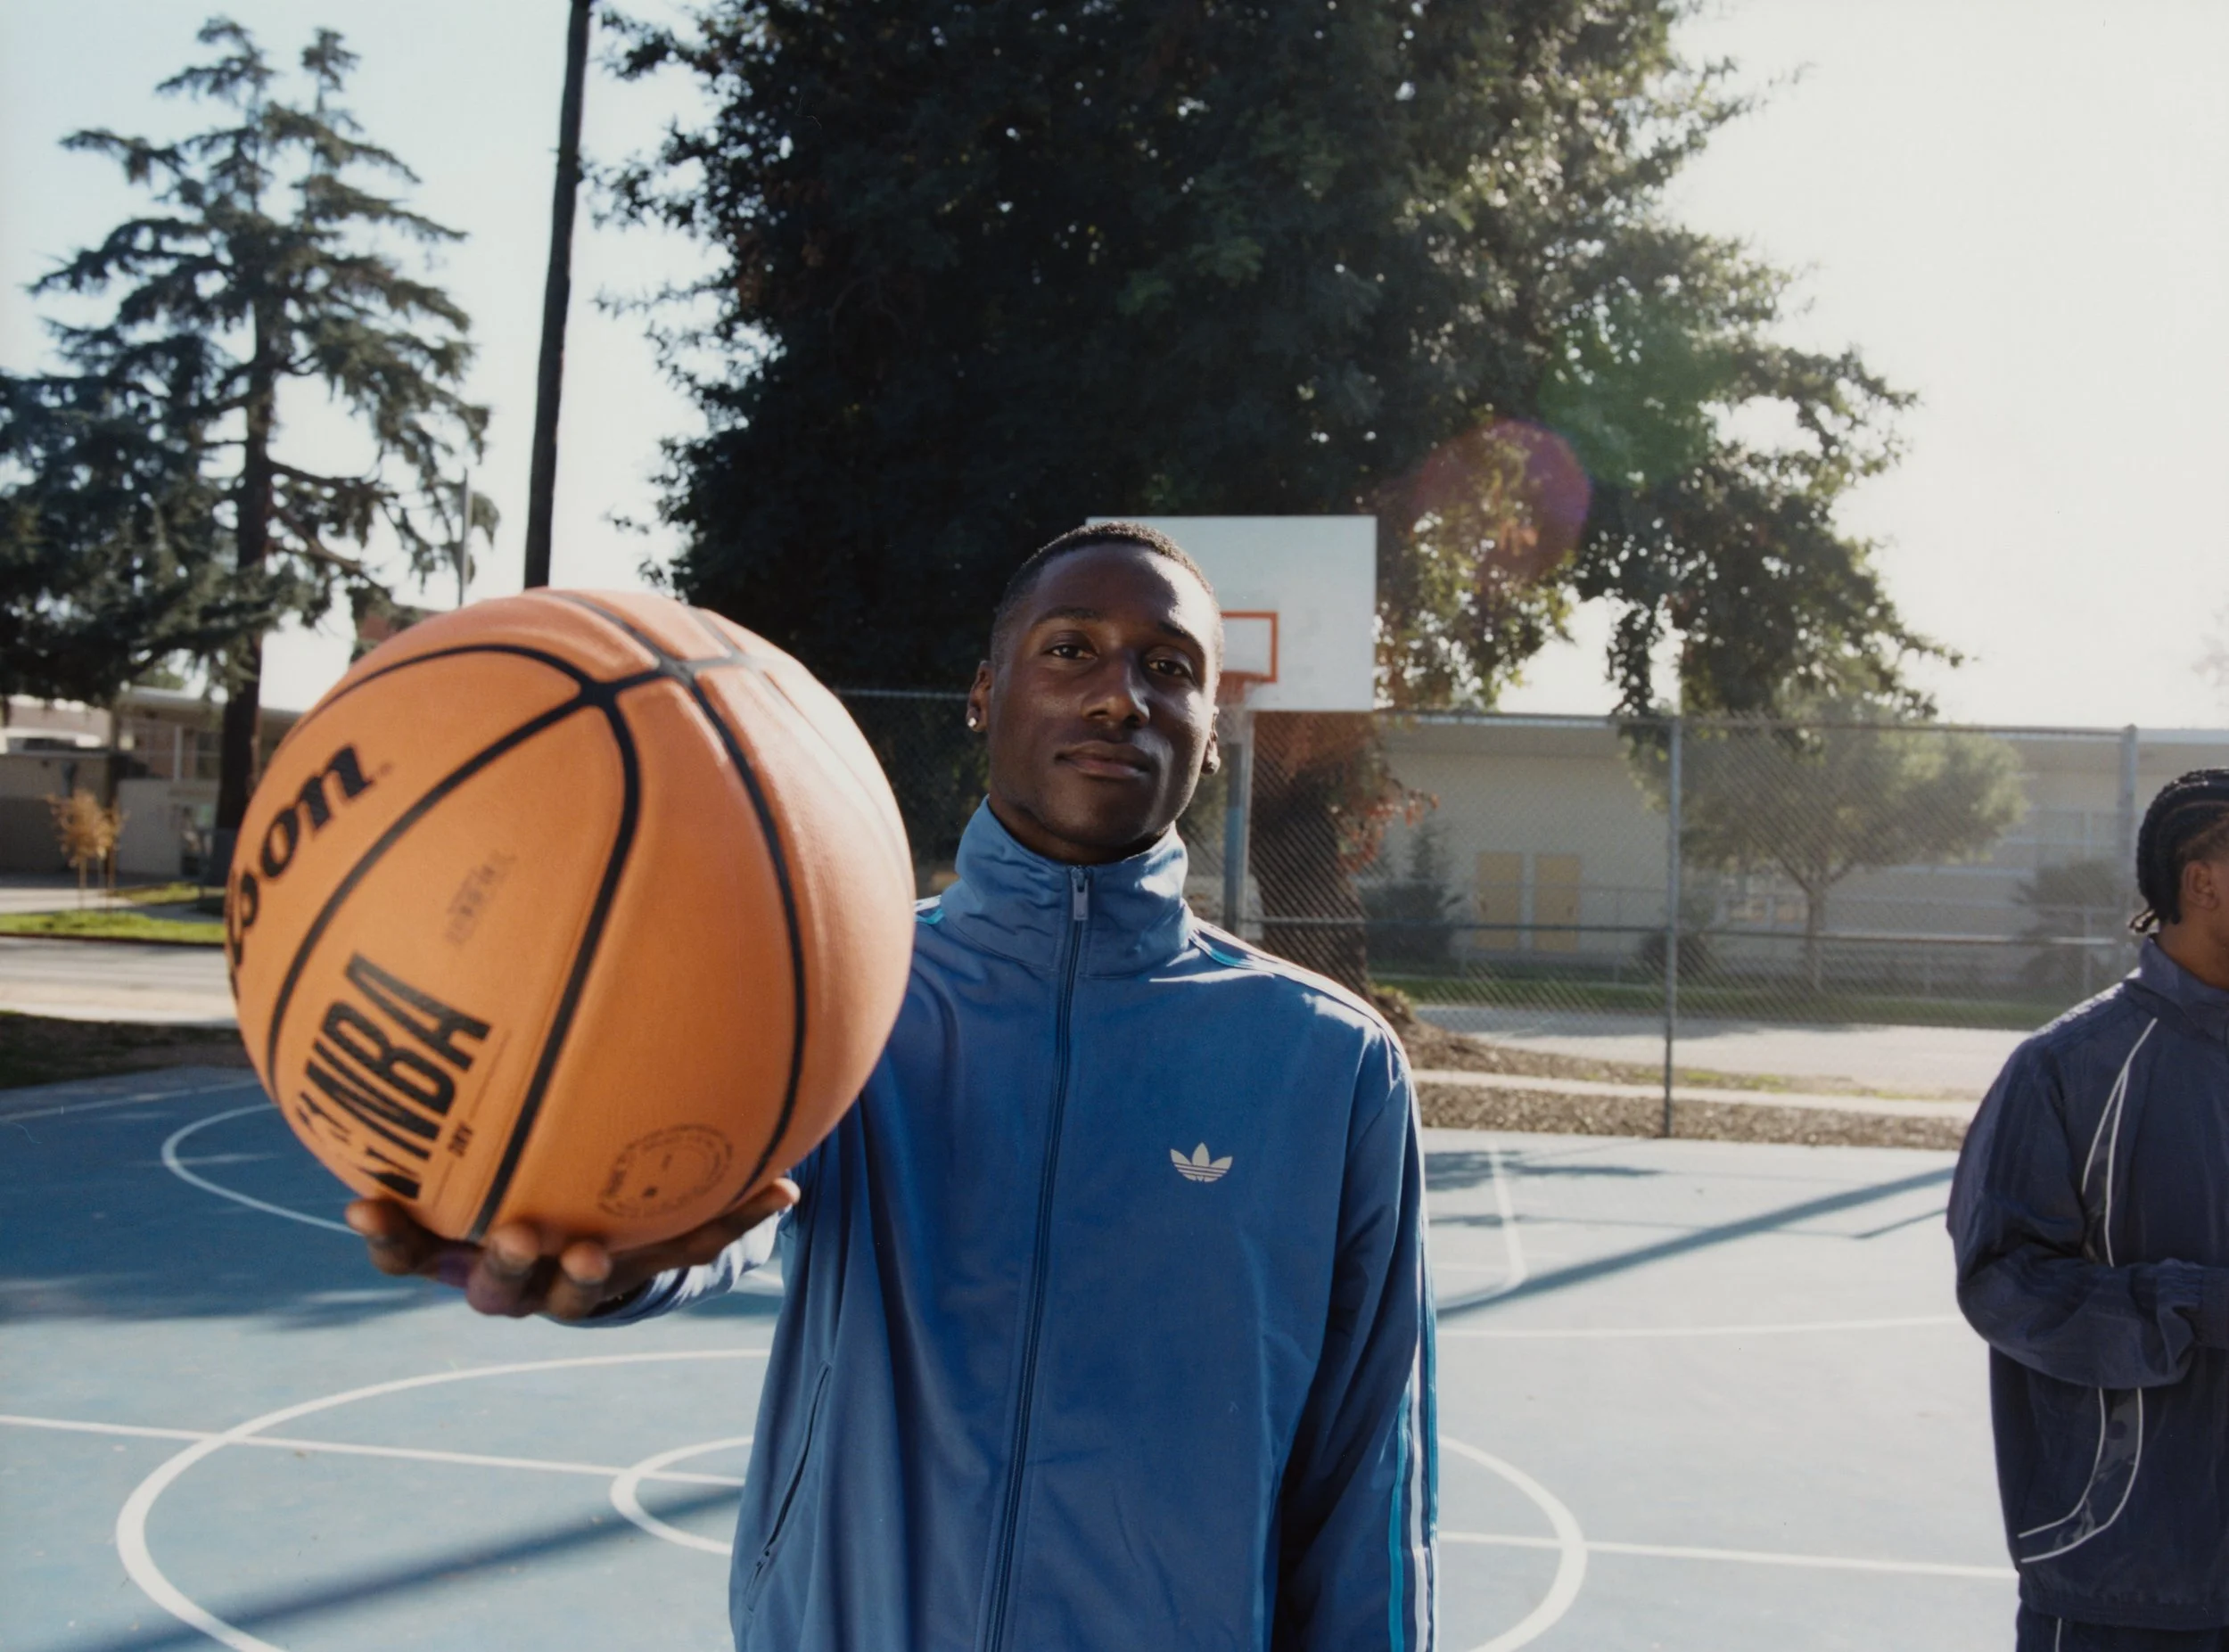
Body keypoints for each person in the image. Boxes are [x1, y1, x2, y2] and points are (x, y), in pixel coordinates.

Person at [347, 522, 1437, 1649]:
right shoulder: (840, 989)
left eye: (1169, 667)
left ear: (1212, 735)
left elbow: (1369, 1475)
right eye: (1071, 649)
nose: (1121, 695)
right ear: (983, 693)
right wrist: (607, 1249)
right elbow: (711, 1197)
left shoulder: (1326, 1061)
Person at [1950, 769, 2229, 1650]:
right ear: (2202, 879)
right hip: (2126, 1571)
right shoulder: (2067, 1067)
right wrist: (2186, 1303)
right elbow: (2003, 1282)